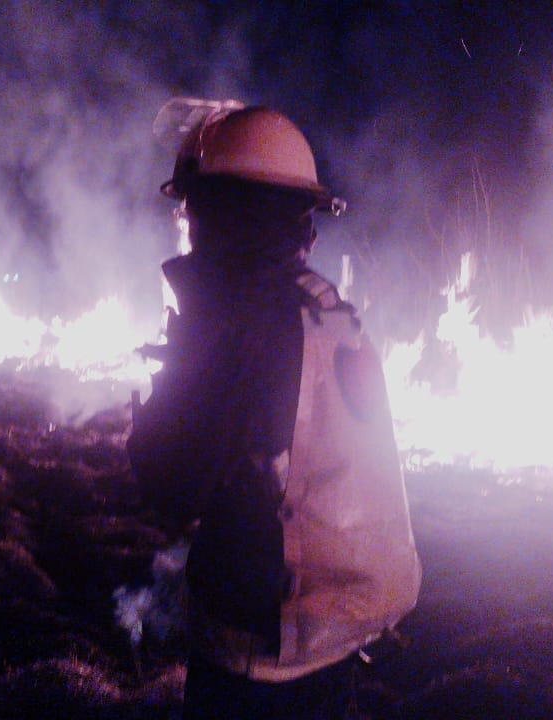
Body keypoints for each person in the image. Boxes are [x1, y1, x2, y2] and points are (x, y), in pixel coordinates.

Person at [128, 102, 422, 719]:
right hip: (335, 634)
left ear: (216, 213)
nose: (185, 226)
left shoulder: (243, 326)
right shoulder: (323, 308)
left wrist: (163, 394)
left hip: (261, 658)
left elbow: (172, 484)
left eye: (191, 209)